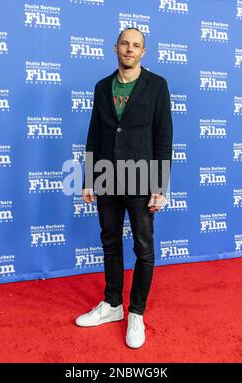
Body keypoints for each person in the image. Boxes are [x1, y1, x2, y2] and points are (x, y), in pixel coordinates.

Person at [75, 27, 173, 349]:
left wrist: (160, 185)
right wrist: (89, 177)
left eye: (136, 45)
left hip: (142, 180)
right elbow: (94, 134)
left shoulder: (157, 86)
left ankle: (136, 312)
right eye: (125, 44)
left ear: (144, 52)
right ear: (115, 47)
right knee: (110, 243)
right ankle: (113, 304)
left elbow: (163, 138)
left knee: (144, 249)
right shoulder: (102, 87)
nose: (129, 49)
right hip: (106, 177)